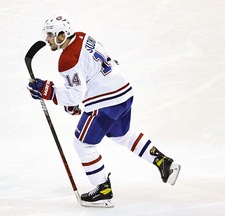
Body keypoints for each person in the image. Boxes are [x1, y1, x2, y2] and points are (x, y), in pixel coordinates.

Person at [27, 15, 181, 207]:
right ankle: (163, 161)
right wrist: (69, 101)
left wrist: (48, 91)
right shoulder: (82, 36)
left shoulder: (67, 58)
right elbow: (87, 75)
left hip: (105, 102)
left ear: (62, 34)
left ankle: (103, 189)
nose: (47, 39)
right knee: (123, 135)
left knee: (82, 144)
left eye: (50, 34)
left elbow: (75, 94)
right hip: (123, 93)